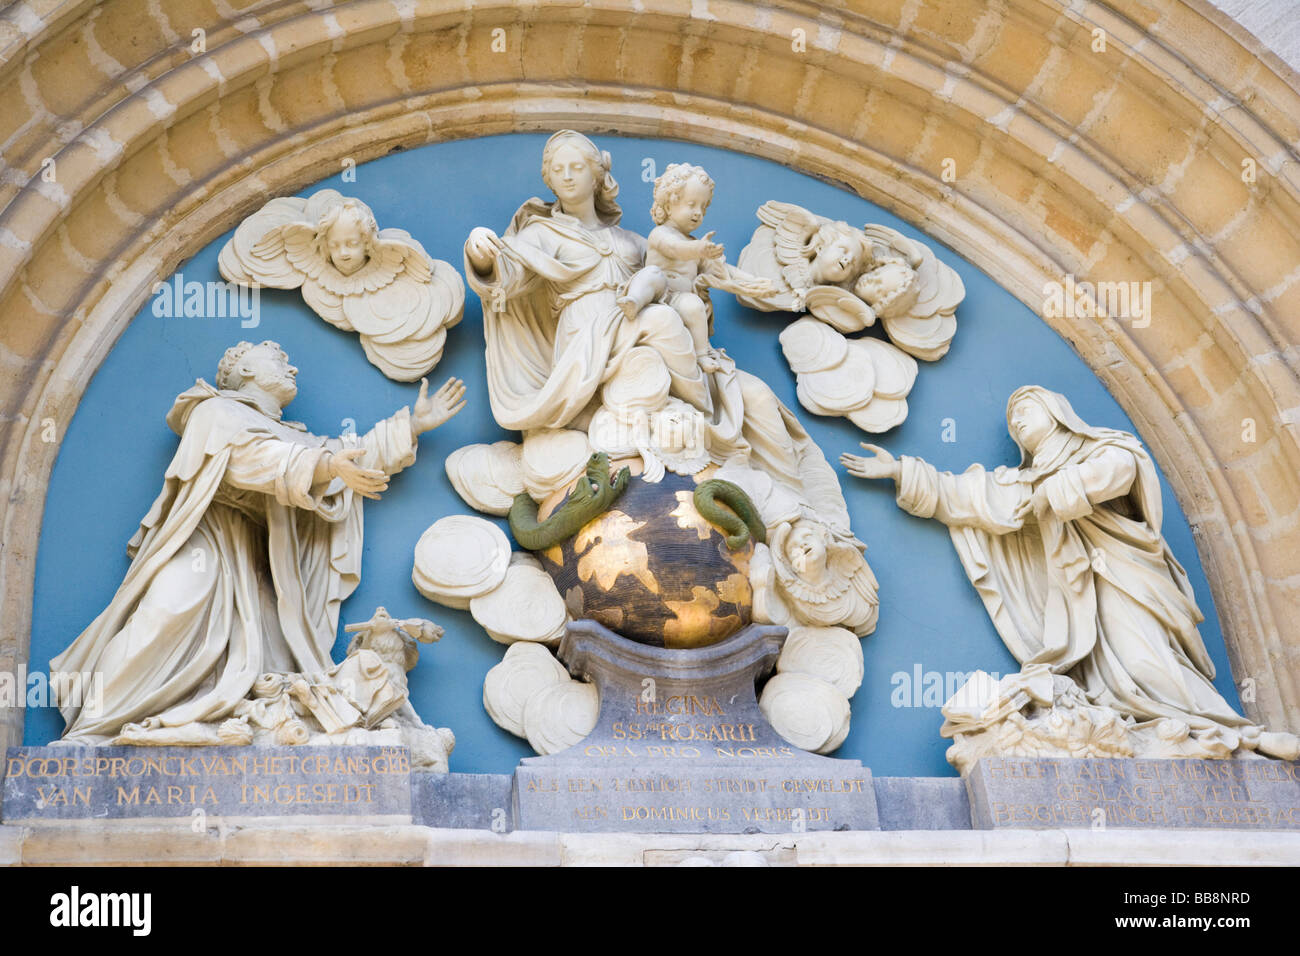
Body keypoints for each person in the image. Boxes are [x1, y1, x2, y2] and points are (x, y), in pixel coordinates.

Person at [841, 384, 1298, 759]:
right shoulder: (1025, 481)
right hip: (1078, 601)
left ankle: (1234, 734)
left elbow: (1117, 472)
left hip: (1123, 578)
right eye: (1012, 419)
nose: (1017, 420)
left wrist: (1051, 493)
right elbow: (970, 495)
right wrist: (901, 471)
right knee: (1113, 679)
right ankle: (1210, 736)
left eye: (1026, 409)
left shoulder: (1107, 449)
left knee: (1145, 662)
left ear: (1058, 412)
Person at [50, 341, 467, 743]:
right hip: (205, 541)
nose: (293, 368)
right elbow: (250, 461)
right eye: (277, 359)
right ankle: (93, 728)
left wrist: (410, 426)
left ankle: (218, 721)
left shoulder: (288, 434)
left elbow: (342, 454)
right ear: (246, 370)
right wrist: (324, 465)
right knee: (165, 613)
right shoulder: (215, 412)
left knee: (270, 657)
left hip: (260, 557)